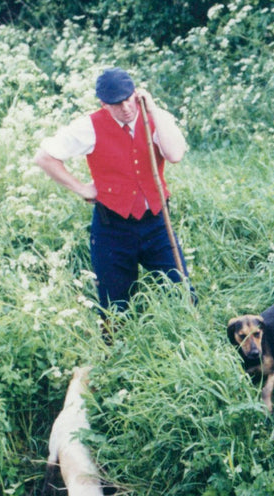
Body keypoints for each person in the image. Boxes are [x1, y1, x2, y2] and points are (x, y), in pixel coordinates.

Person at [35, 67, 193, 314]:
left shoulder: (155, 118)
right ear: (104, 104)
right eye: (117, 104)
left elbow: (174, 155)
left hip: (157, 223)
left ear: (136, 94)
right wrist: (83, 189)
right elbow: (44, 157)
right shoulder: (89, 126)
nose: (126, 108)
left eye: (128, 99)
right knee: (114, 307)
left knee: (181, 293)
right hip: (113, 228)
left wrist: (153, 110)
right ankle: (115, 349)